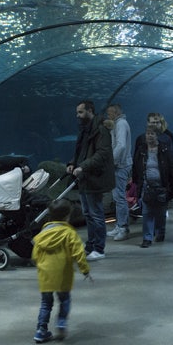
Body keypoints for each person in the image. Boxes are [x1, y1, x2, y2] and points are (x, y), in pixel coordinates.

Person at [31, 202, 93, 343]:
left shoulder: (42, 234)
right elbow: (79, 253)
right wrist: (85, 270)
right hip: (63, 274)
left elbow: (35, 255)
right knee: (64, 299)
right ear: (67, 217)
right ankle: (61, 322)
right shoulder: (69, 233)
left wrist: (39, 264)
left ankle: (41, 331)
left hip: (45, 275)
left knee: (46, 303)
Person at [67, 100, 115, 261]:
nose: (77, 116)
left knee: (96, 214)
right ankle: (91, 244)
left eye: (80, 112)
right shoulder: (85, 130)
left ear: (90, 111)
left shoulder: (101, 130)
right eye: (77, 112)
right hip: (84, 178)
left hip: (94, 178)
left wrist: (83, 166)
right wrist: (72, 163)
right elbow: (81, 151)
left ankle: (99, 249)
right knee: (88, 214)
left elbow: (102, 154)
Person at [131, 124, 173, 248]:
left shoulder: (165, 149)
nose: (149, 136)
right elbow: (136, 167)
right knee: (147, 212)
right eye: (147, 134)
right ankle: (147, 238)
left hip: (162, 187)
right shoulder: (141, 150)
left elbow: (172, 166)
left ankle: (160, 232)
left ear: (157, 135)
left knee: (160, 213)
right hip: (146, 186)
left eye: (152, 134)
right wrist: (135, 183)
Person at [105, 103, 132, 241]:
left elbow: (120, 145)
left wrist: (112, 161)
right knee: (117, 197)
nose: (107, 115)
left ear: (115, 112)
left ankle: (123, 228)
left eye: (109, 113)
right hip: (118, 165)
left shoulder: (121, 124)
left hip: (120, 166)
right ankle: (119, 225)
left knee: (120, 198)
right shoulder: (117, 124)